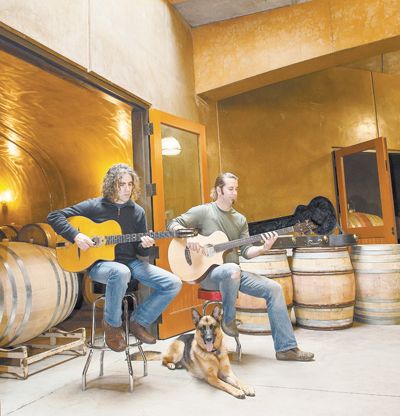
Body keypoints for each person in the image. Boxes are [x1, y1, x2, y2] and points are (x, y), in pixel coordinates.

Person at [168, 172, 314, 361]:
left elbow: (245, 251)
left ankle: (286, 348)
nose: (234, 193)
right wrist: (189, 238)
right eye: (230, 189)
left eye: (236, 189)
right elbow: (173, 224)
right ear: (219, 190)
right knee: (232, 270)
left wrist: (263, 248)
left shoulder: (240, 220)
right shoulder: (204, 212)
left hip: (233, 273)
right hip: (209, 276)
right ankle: (228, 319)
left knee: (275, 289)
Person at [48, 163, 182, 351]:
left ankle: (138, 321)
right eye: (121, 184)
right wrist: (76, 236)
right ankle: (112, 326)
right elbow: (54, 216)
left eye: (129, 184)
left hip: (131, 263)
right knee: (120, 272)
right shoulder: (94, 206)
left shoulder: (137, 212)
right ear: (112, 185)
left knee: (173, 283)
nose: (127, 189)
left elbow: (141, 252)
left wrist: (145, 245)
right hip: (100, 265)